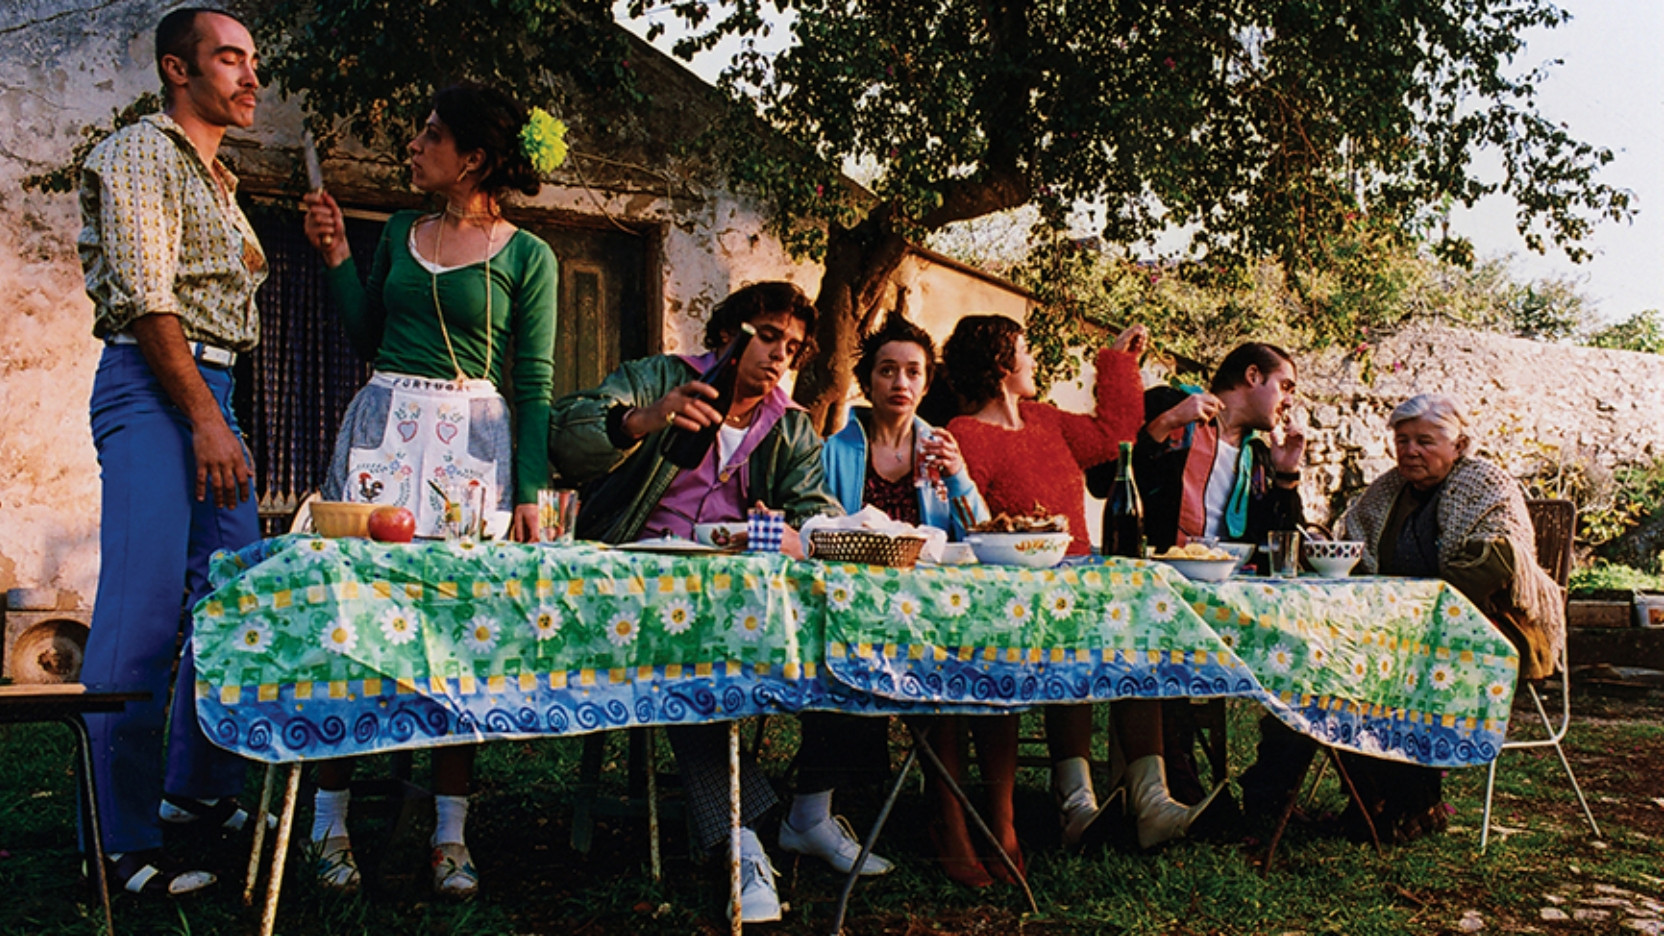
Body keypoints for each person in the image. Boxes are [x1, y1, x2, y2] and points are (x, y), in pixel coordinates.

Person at [301, 82, 559, 897]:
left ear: (473, 158)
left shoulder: (529, 257)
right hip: (384, 431)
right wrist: (339, 255)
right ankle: (328, 820)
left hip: (472, 451)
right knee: (355, 617)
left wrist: (531, 490)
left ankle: (450, 833)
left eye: (431, 134)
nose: (414, 145)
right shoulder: (401, 234)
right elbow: (366, 336)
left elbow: (536, 379)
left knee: (458, 627)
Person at [550, 281, 872, 923]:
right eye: (768, 335)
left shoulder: (789, 425)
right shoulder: (661, 377)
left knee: (848, 624)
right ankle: (742, 840)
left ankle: (808, 809)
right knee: (691, 660)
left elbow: (816, 517)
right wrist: (643, 420)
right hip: (634, 580)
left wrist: (796, 535)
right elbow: (564, 434)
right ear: (729, 333)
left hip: (740, 595)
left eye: (793, 345)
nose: (781, 354)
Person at [77, 6, 266, 896]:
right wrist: (201, 415)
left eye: (252, 61)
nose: (249, 75)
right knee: (142, 613)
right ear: (176, 69)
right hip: (161, 385)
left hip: (210, 390)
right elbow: (153, 301)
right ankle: (115, 841)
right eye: (229, 59)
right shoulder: (141, 153)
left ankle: (196, 792)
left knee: (229, 602)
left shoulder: (218, 180)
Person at [940, 314, 1219, 868]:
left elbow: (1114, 434)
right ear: (1002, 366)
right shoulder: (965, 433)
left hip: (1079, 576)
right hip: (1015, 590)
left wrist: (1119, 362)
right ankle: (1077, 806)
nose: (1035, 361)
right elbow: (969, 520)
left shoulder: (1045, 418)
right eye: (1026, 351)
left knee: (1136, 644)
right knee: (1077, 651)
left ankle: (1152, 802)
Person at [1323, 393, 1563, 841]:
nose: (1411, 450)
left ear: (1459, 444)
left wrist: (1415, 605)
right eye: (1403, 440)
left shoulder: (1486, 485)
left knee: (1407, 665)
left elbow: (1493, 565)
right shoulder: (1385, 492)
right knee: (1341, 659)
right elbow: (1355, 552)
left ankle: (1408, 801)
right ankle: (1374, 795)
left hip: (1484, 625)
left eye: (1426, 441)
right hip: (1397, 625)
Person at [1088, 343, 1305, 811]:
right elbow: (1103, 479)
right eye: (1285, 386)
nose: (1289, 401)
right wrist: (1165, 424)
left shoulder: (1261, 456)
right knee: (1161, 646)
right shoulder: (1170, 405)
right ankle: (1184, 794)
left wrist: (1287, 478)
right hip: (1150, 590)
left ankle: (1262, 791)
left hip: (1223, 597)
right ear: (1252, 376)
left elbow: (1280, 547)